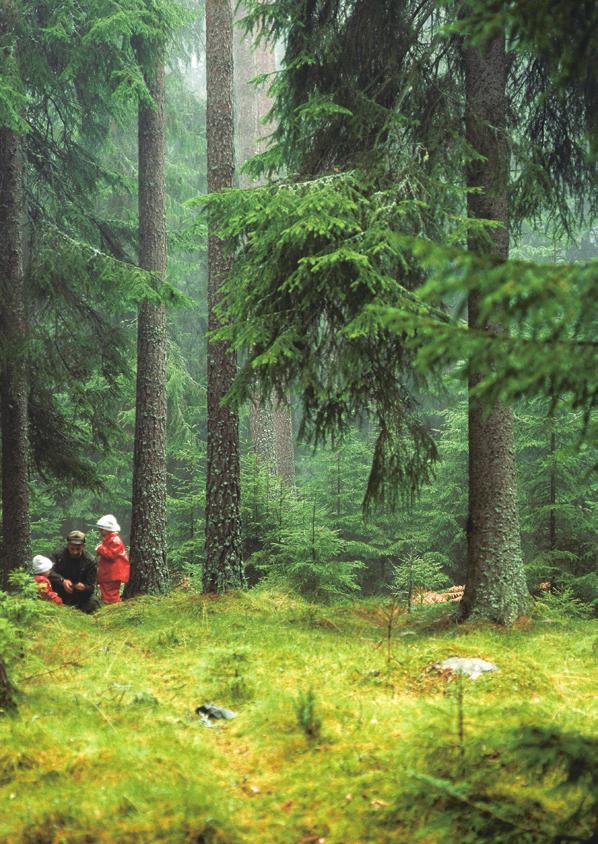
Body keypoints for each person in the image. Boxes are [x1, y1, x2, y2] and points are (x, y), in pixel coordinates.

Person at [48, 530, 100, 614]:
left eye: (78, 549)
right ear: (68, 545)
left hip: (80, 595)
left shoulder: (90, 561)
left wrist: (84, 587)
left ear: (83, 546)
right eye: (72, 548)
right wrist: (62, 581)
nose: (74, 552)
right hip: (59, 592)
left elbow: (91, 587)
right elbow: (48, 572)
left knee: (94, 602)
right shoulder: (58, 555)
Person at [95, 515, 130, 604]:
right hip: (109, 573)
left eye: (102, 529)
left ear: (108, 529)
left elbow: (111, 555)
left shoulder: (115, 540)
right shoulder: (110, 539)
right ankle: (109, 607)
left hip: (112, 574)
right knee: (107, 593)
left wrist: (100, 549)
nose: (100, 531)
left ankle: (113, 609)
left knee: (111, 594)